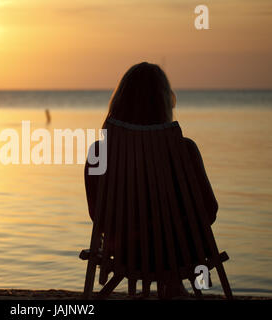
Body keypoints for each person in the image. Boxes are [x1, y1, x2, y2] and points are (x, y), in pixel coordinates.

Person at [84, 62, 218, 297]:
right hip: (179, 253)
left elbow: (97, 216)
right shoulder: (184, 150)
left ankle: (172, 285)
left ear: (118, 102)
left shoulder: (99, 153)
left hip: (128, 254)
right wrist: (169, 227)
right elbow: (209, 211)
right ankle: (174, 285)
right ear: (165, 102)